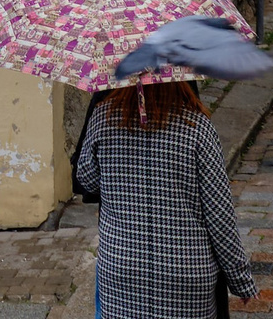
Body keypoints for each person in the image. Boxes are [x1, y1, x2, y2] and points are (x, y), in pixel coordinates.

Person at [73, 81, 257, 319]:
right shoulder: (197, 126)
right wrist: (240, 280)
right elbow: (220, 217)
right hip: (186, 274)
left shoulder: (102, 118)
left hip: (122, 272)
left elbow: (88, 180)